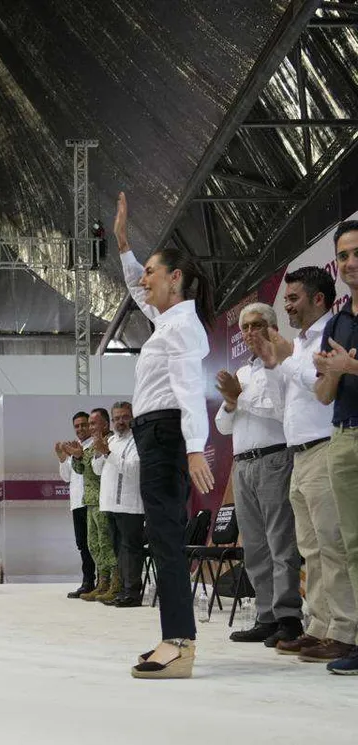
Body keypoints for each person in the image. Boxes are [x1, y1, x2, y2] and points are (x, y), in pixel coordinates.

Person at [116, 191, 215, 679]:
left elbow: (189, 390)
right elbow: (138, 292)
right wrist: (123, 247)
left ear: (175, 278)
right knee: (162, 536)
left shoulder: (182, 328)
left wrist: (195, 446)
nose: (144, 279)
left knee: (167, 538)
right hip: (155, 435)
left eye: (153, 271)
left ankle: (179, 641)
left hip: (166, 435)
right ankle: (174, 636)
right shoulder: (168, 320)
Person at [253, 264, 358, 662]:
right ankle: (320, 625)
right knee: (311, 549)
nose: (288, 306)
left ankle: (345, 629)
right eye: (286, 299)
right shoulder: (299, 343)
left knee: (333, 546)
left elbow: (321, 392)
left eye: (294, 298)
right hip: (298, 452)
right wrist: (277, 360)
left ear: (318, 299)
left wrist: (286, 359)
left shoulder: (333, 333)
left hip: (324, 446)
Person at [215, 302, 303, 647]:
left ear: (272, 326)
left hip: (275, 459)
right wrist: (232, 402)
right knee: (254, 546)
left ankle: (289, 618)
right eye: (245, 327)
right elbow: (223, 426)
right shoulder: (243, 373)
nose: (249, 332)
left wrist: (241, 400)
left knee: (281, 542)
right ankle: (265, 616)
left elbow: (284, 415)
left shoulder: (283, 365)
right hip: (244, 464)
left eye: (256, 325)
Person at [312, 220, 358, 674]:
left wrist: (351, 366)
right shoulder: (339, 321)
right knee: (353, 545)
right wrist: (328, 372)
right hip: (343, 436)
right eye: (343, 255)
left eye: (356, 252)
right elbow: (324, 395)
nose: (349, 263)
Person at [93, 402, 146, 607]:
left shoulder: (138, 441)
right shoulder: (112, 440)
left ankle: (132, 592)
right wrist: (100, 453)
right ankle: (122, 589)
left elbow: (134, 469)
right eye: (116, 418)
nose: (120, 422)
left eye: (124, 417)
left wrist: (107, 453)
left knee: (131, 550)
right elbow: (98, 470)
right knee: (118, 550)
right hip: (110, 504)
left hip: (130, 504)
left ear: (133, 418)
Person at [68, 408, 117, 602]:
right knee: (93, 545)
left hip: (104, 500)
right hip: (90, 501)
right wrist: (78, 456)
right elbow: (81, 469)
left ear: (105, 424)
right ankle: (102, 583)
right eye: (88, 425)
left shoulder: (110, 441)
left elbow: (98, 471)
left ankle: (115, 583)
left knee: (106, 544)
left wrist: (91, 453)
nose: (89, 428)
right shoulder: (91, 446)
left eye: (91, 424)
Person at [56, 412, 96, 598]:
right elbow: (66, 477)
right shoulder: (74, 448)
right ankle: (87, 582)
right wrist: (63, 458)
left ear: (91, 425)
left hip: (92, 502)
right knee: (83, 545)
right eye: (77, 426)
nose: (80, 429)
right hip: (77, 503)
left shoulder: (96, 445)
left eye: (83, 425)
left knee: (95, 544)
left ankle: (102, 582)